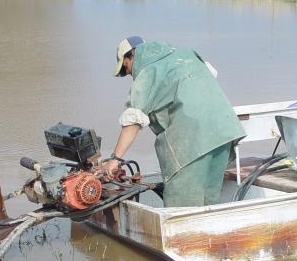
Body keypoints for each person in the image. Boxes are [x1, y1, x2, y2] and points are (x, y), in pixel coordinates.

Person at [103, 36, 246, 207]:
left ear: (131, 56)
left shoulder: (147, 72)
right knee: (209, 201)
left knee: (181, 207)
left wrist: (115, 159)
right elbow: (209, 76)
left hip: (193, 141)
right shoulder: (185, 53)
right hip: (224, 130)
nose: (129, 73)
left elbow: (133, 121)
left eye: (126, 67)